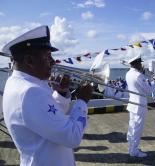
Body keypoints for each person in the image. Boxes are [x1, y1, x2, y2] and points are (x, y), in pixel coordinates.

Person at [2, 25, 93, 166]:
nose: (53, 61)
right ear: (29, 61)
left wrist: (61, 94)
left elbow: (49, 118)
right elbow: (72, 137)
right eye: (47, 56)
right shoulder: (30, 91)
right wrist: (82, 101)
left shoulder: (18, 83)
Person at [126, 55, 151, 157]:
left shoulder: (128, 73)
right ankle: (134, 151)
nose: (141, 65)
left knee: (132, 127)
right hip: (139, 105)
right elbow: (148, 90)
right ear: (136, 63)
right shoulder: (139, 75)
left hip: (132, 104)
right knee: (137, 129)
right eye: (140, 63)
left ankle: (131, 147)